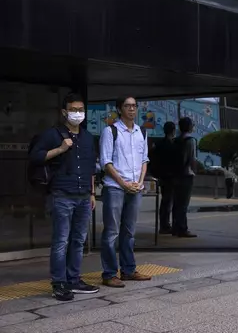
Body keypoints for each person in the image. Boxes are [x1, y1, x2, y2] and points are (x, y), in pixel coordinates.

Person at [29, 93, 99, 301]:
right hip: (62, 194)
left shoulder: (87, 137)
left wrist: (92, 193)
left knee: (78, 240)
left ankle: (74, 279)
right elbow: (36, 157)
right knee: (61, 241)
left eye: (81, 110)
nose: (78, 114)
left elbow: (90, 168)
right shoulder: (53, 134)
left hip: (84, 195)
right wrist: (60, 149)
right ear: (64, 112)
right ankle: (59, 282)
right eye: (73, 110)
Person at [99, 96, 152, 287]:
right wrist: (124, 183)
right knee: (111, 232)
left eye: (134, 106)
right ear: (119, 109)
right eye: (127, 106)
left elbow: (144, 160)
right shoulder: (110, 131)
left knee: (129, 232)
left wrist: (138, 182)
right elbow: (106, 162)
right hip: (115, 188)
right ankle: (109, 273)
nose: (131, 109)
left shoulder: (141, 132)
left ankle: (128, 271)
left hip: (135, 188)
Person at [171, 117, 198, 238]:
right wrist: (194, 170)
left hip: (175, 174)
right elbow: (191, 158)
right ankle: (182, 228)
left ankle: (175, 227)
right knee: (183, 203)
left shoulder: (175, 140)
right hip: (186, 174)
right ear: (189, 126)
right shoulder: (190, 140)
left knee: (176, 202)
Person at [150, 121, 176, 235]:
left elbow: (151, 156)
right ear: (173, 131)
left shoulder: (158, 143)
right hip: (170, 175)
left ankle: (164, 224)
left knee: (165, 201)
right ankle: (165, 225)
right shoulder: (173, 145)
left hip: (161, 175)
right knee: (168, 201)